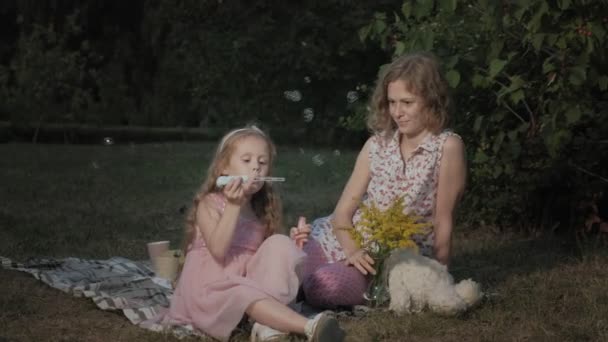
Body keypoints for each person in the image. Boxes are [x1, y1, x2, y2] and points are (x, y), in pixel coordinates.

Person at [299, 52, 467, 309]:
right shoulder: (376, 145)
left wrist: (439, 277)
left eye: (407, 102)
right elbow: (342, 213)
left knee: (322, 287)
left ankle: (297, 295)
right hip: (338, 239)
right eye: (392, 102)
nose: (397, 112)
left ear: (432, 101)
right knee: (287, 261)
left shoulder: (447, 146)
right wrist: (353, 251)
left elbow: (442, 221)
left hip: (388, 261)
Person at [155, 125, 345, 341]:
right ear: (223, 169)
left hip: (247, 286)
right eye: (246, 161)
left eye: (262, 163)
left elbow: (263, 263)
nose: (256, 168)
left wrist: (293, 244)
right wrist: (233, 206)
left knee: (279, 243)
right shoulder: (209, 204)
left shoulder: (260, 212)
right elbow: (218, 250)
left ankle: (266, 325)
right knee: (243, 292)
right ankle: (310, 327)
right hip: (210, 291)